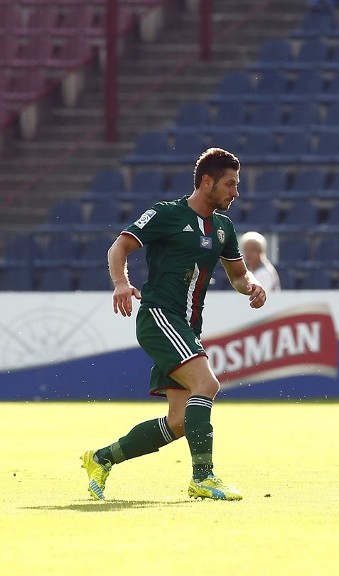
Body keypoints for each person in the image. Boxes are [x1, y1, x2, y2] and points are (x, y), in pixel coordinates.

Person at [80, 148, 267, 501]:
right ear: (207, 181)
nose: (235, 192)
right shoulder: (167, 214)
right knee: (207, 384)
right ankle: (203, 477)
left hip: (186, 326)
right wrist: (121, 282)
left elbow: (239, 276)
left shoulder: (224, 228)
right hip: (160, 317)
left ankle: (101, 459)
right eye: (230, 184)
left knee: (180, 422)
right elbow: (118, 248)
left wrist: (252, 287)